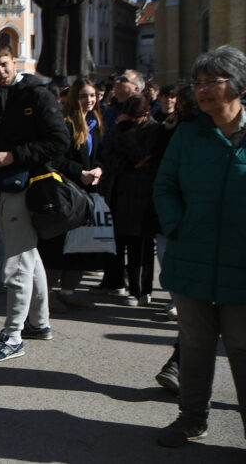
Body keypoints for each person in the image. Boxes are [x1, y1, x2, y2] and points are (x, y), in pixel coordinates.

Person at [152, 45, 246, 448]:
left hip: (242, 264)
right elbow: (165, 186)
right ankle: (191, 418)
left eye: (213, 81)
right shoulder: (189, 134)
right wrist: (178, 226)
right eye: (199, 82)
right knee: (194, 344)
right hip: (191, 257)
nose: (203, 90)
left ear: (238, 85)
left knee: (243, 348)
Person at [0, 40, 69, 363]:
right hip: (5, 184)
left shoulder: (36, 93)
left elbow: (59, 140)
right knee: (29, 255)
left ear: (14, 61)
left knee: (17, 261)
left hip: (28, 186)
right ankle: (39, 323)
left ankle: (13, 335)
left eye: (4, 64)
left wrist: (15, 155)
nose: (0, 72)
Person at [37, 78, 104, 314]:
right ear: (74, 98)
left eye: (93, 96)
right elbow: (55, 159)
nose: (89, 100)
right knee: (58, 248)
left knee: (81, 247)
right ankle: (45, 295)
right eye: (84, 96)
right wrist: (81, 172)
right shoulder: (65, 124)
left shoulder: (95, 122)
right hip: (66, 194)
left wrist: (98, 168)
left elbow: (100, 154)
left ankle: (69, 292)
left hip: (89, 192)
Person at [102, 95, 164, 306]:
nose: (127, 119)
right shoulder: (121, 127)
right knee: (120, 241)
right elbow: (108, 155)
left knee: (142, 245)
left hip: (143, 194)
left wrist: (126, 136)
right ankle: (119, 282)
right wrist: (129, 163)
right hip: (120, 190)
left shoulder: (154, 130)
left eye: (133, 117)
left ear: (145, 114)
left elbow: (143, 157)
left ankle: (141, 290)